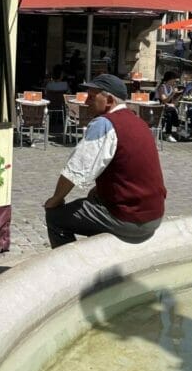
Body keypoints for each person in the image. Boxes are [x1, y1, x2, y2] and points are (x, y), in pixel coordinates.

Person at [44, 74, 166, 248]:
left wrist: (55, 200)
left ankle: (72, 270)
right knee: (94, 198)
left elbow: (76, 171)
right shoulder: (138, 121)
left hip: (130, 218)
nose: (86, 102)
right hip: (153, 213)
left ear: (108, 100)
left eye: (92, 96)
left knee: (55, 217)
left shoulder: (104, 124)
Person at [155, 71, 182, 142]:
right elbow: (164, 100)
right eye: (175, 80)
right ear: (171, 79)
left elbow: (172, 102)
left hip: (168, 108)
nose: (176, 82)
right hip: (159, 107)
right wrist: (173, 93)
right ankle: (177, 126)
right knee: (171, 111)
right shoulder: (162, 87)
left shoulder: (171, 87)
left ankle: (168, 134)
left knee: (170, 113)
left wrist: (178, 96)